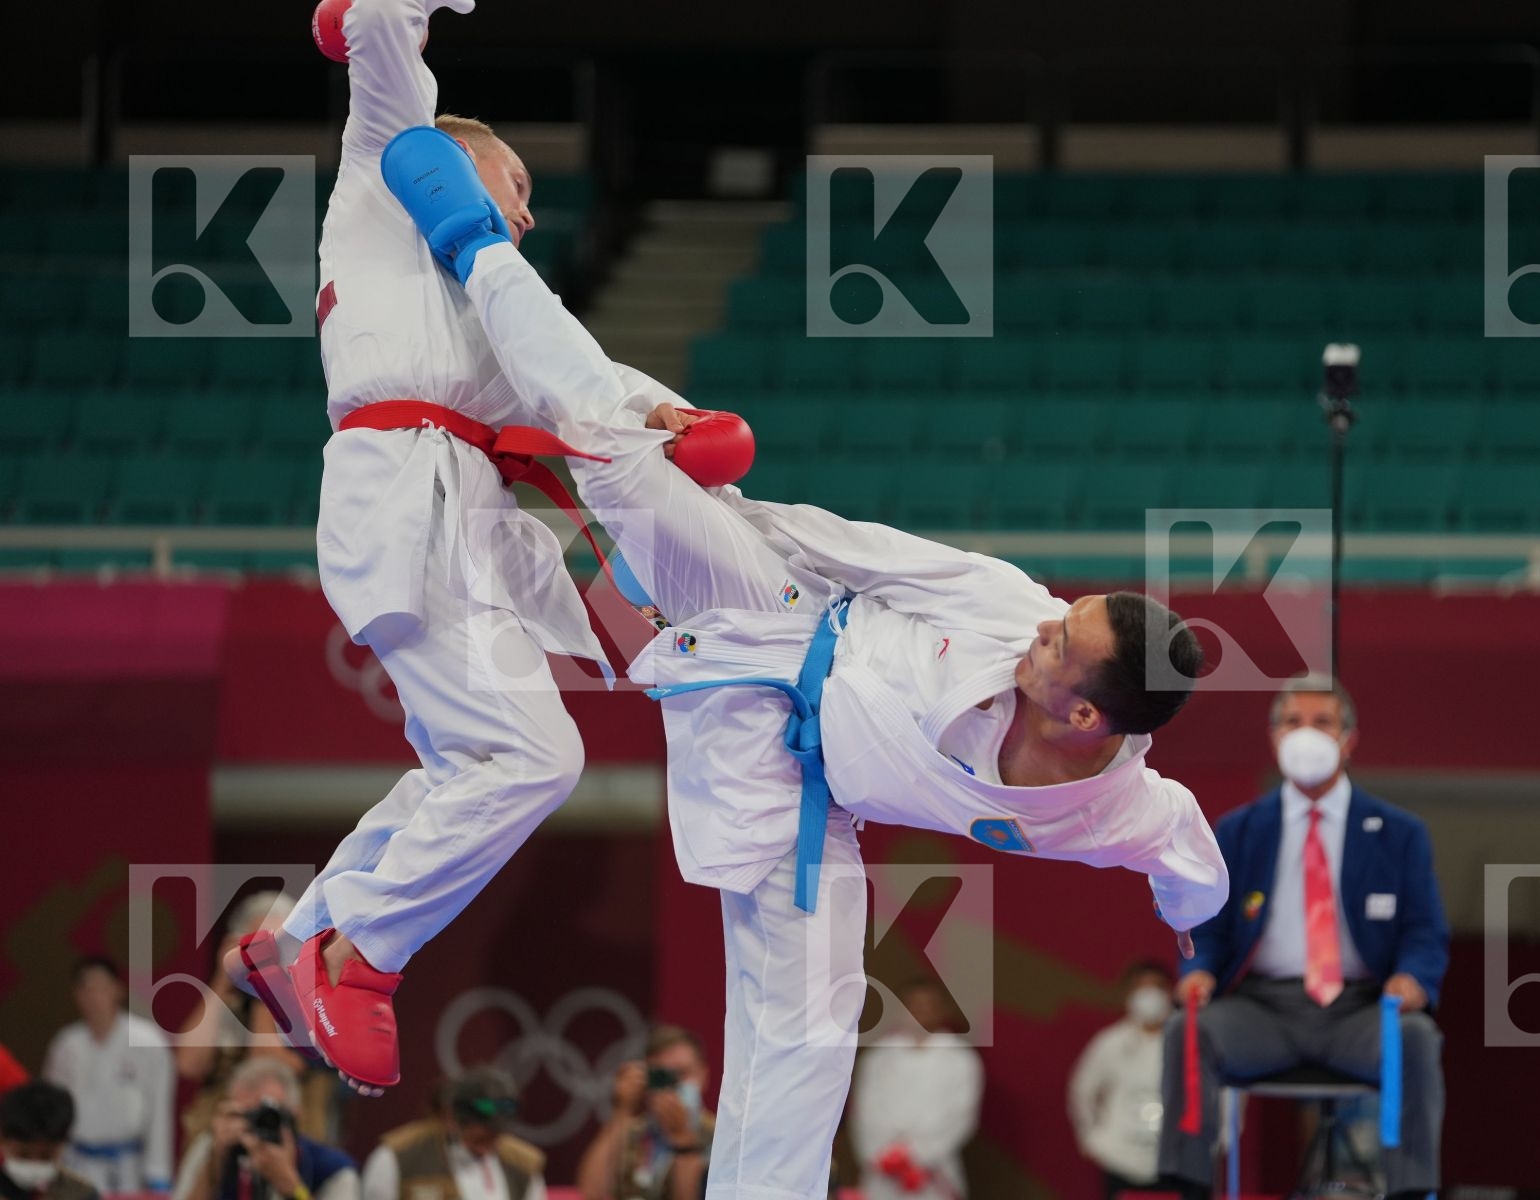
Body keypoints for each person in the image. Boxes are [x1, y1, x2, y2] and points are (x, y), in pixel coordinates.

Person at [378, 127, 1230, 1200]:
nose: (1047, 625)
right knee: (616, 449)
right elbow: (871, 552)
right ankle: (470, 242)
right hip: (775, 608)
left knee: (809, 1035)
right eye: (1065, 616)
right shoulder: (1011, 607)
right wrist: (728, 512)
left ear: (1087, 720)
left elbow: (1195, 870)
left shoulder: (1122, 808)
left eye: (1066, 644)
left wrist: (1204, 950)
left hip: (799, 796)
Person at [225, 0, 679, 1097]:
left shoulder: (486, 295)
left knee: (465, 764)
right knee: (536, 759)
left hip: (460, 509)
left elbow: (575, 381)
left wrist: (670, 412)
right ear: (458, 165)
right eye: (518, 190)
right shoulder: (390, 180)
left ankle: (303, 933)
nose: (525, 220)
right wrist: (383, 14)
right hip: (406, 492)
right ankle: (363, 958)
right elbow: (380, 47)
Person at [1158, 676, 1448, 1200]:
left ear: (1348, 739)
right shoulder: (1239, 829)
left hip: (1361, 1011)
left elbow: (1424, 930)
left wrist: (1413, 978)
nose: (1307, 734)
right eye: (1294, 722)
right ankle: (1188, 1185)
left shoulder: (1399, 832)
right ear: (1274, 737)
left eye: (1323, 723)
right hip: (1265, 1010)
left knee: (1416, 1040)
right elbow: (1211, 925)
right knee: (1189, 1031)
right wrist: (1198, 971)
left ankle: (1410, 1189)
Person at [178, 894, 335, 1145]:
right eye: (258, 946)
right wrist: (223, 976)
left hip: (295, 1144)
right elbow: (189, 1063)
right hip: (221, 1140)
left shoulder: (316, 999)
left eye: (280, 946)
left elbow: (269, 1060)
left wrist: (267, 983)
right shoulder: (234, 1001)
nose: (272, 956)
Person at [42, 956, 174, 1194]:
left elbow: (160, 1111)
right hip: (78, 1162)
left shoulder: (147, 1041)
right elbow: (53, 1114)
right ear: (77, 995)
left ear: (118, 990)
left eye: (101, 988)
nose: (94, 997)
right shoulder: (65, 1045)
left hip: (129, 1165)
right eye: (86, 989)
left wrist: (158, 1174)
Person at [1069, 962, 1199, 1200]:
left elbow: (1221, 1093)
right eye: (1140, 987)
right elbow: (1082, 1091)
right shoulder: (1110, 1042)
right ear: (1128, 994)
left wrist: (1218, 1141)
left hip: (1181, 1161)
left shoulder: (1194, 1042)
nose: (1149, 995)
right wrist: (1093, 1139)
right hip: (1122, 1161)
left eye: (1157, 987)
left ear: (1171, 992)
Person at [850, 980, 982, 1200]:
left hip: (934, 1172)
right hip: (882, 1172)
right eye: (914, 1005)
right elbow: (864, 1110)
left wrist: (919, 1155)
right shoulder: (877, 1058)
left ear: (943, 1010)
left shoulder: (961, 1059)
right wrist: (882, 1155)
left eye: (929, 1005)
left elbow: (961, 1115)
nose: (921, 1011)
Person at [170, 1060, 358, 1200]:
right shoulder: (213, 1147)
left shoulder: (334, 1170)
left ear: (296, 1116)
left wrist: (293, 1188)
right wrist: (215, 1161)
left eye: (268, 1116)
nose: (255, 1128)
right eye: (245, 1116)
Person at [364, 1068, 544, 1200]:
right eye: (479, 1139)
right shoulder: (397, 1156)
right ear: (451, 1119)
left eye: (495, 1138)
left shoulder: (523, 1164)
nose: (486, 1150)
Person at [576, 1028, 712, 1200]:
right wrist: (622, 1110)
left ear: (703, 1075)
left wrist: (682, 1139)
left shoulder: (724, 1138)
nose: (672, 1087)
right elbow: (591, 1192)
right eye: (662, 1077)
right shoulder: (632, 1132)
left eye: (682, 1073)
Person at [0, 1082, 101, 1200]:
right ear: (2, 1140)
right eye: (23, 1155)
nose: (34, 1164)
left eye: (45, 1156)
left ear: (64, 1144)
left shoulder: (82, 1194)